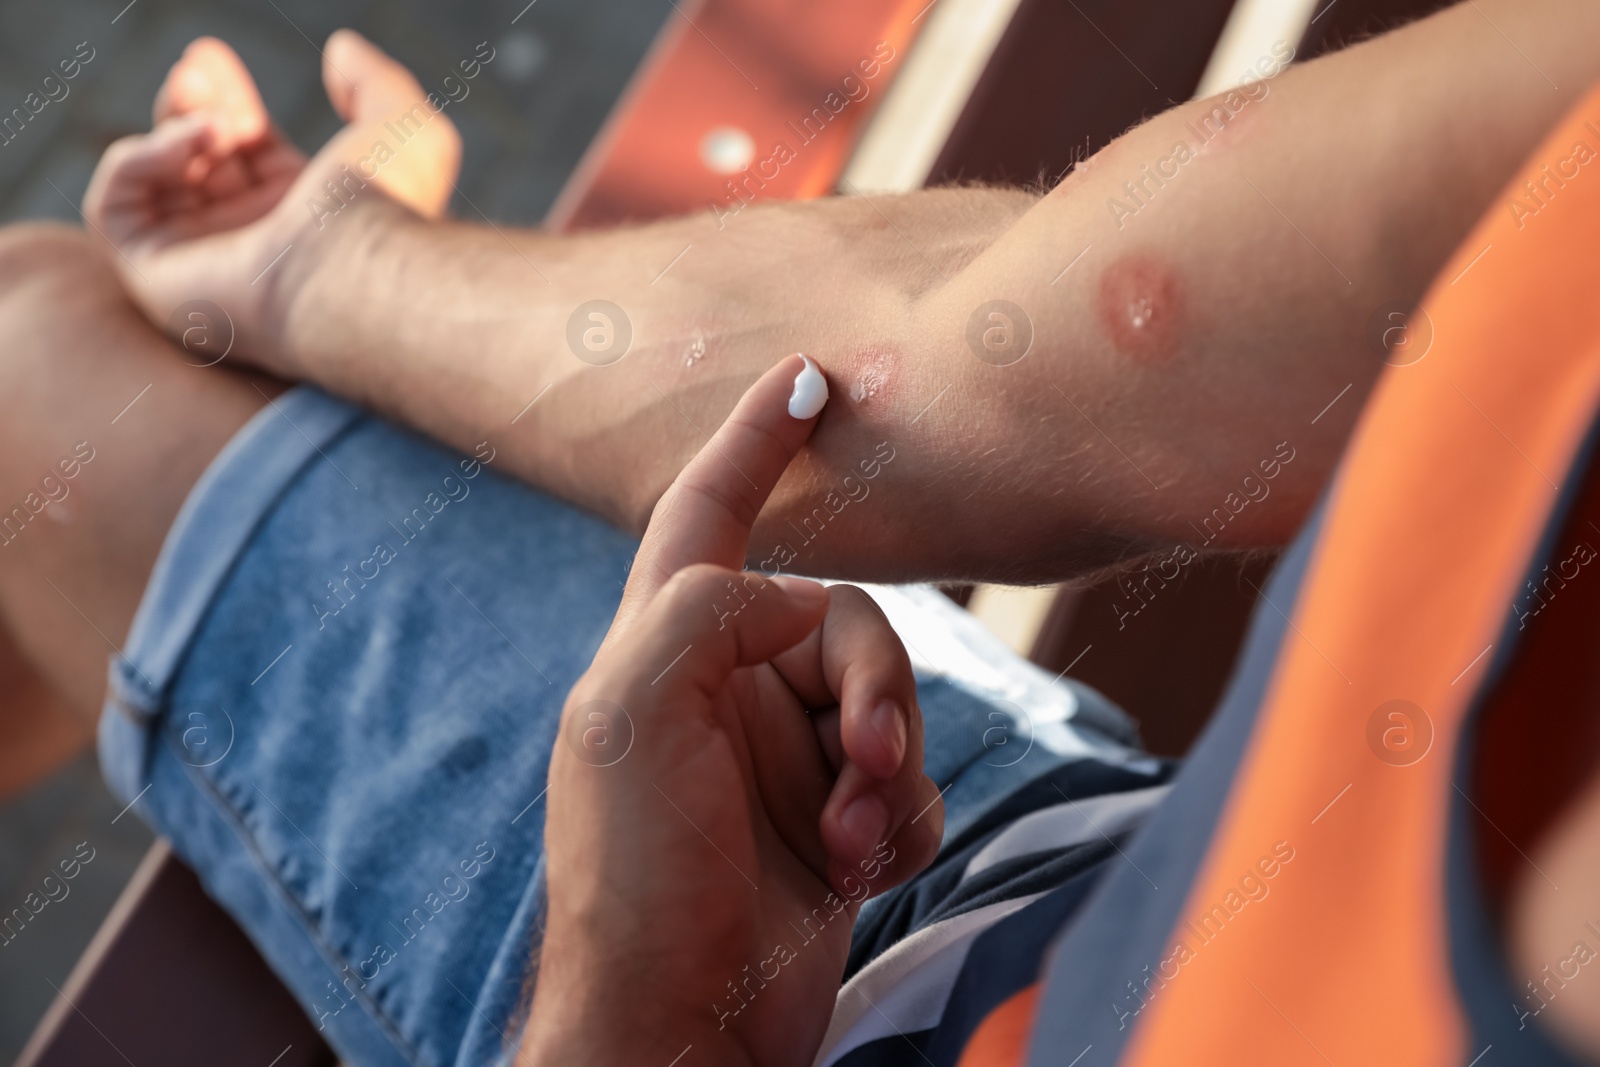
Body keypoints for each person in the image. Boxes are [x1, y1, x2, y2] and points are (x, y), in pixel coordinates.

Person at [4, 0, 1600, 1063]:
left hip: (760, 983)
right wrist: (316, 275)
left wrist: (628, 1013)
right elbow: (968, 359)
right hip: (1028, 870)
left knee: (28, 360)